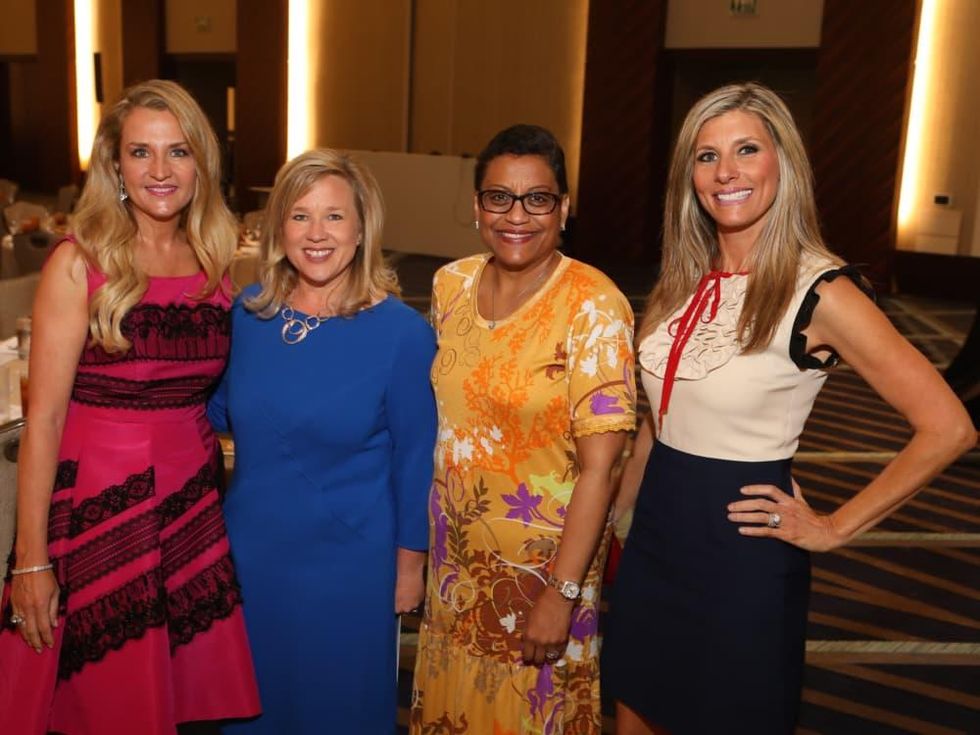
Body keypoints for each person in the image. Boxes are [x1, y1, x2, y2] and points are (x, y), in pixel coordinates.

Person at [602, 82, 977, 735]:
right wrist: (617, 523)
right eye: (705, 155)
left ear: (784, 161)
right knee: (634, 712)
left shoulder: (822, 289)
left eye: (747, 149)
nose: (726, 172)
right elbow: (656, 420)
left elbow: (948, 427)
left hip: (740, 551)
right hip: (654, 537)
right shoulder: (681, 278)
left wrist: (834, 526)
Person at [0, 80, 260, 734]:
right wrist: (30, 558)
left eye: (177, 152)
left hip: (191, 504)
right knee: (102, 702)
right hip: (98, 507)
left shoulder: (218, 262)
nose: (160, 170)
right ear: (114, 165)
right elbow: (45, 422)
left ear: (201, 162)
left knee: (179, 704)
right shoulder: (78, 262)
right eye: (141, 153)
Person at [411, 124, 637, 733]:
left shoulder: (594, 305)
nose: (517, 215)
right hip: (456, 572)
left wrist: (559, 597)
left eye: (537, 199)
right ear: (476, 205)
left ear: (563, 208)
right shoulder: (450, 286)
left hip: (540, 581)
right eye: (499, 197)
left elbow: (603, 468)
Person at [207, 149, 436, 734]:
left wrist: (409, 568)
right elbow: (213, 409)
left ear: (362, 230)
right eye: (300, 215)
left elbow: (415, 458)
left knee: (339, 712)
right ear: (278, 227)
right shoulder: (248, 314)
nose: (316, 234)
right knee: (253, 708)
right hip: (253, 556)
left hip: (350, 565)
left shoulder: (401, 334)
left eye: (334, 217)